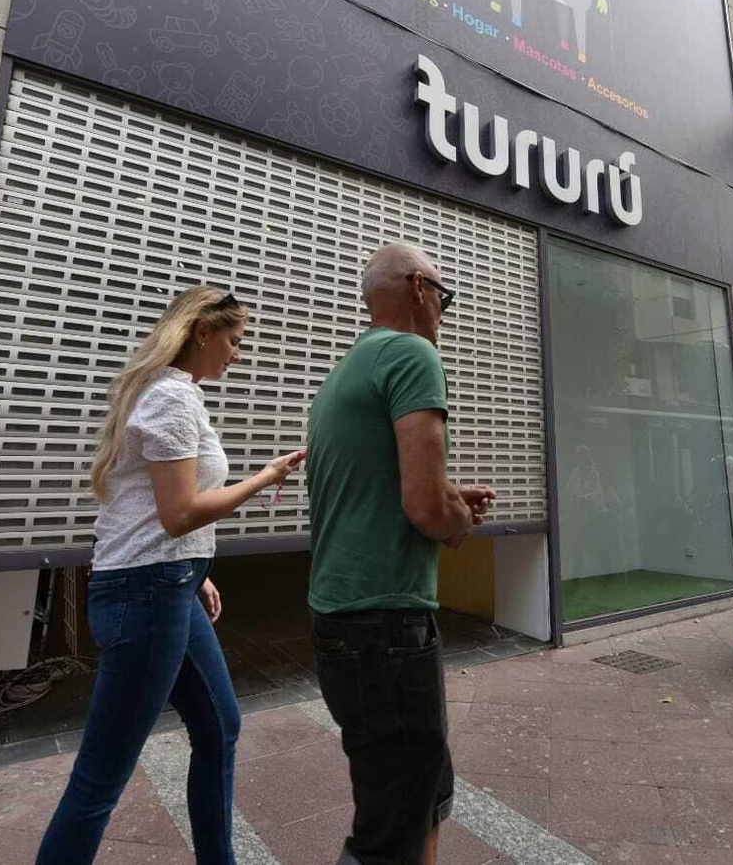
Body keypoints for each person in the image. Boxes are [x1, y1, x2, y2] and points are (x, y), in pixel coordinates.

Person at [37, 287, 304, 865]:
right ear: (203, 332)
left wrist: (194, 570)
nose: (239, 353)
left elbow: (150, 507)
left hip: (167, 582)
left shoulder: (167, 392)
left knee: (220, 726)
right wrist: (264, 478)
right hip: (148, 592)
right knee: (101, 776)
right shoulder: (171, 398)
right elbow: (179, 512)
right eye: (234, 341)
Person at [307, 242, 494, 865]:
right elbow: (426, 510)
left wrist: (447, 494)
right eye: (445, 298)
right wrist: (456, 518)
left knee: (422, 796)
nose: (444, 311)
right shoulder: (413, 353)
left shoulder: (348, 368)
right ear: (418, 287)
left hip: (348, 622)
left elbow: (382, 485)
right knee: (389, 835)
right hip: (385, 626)